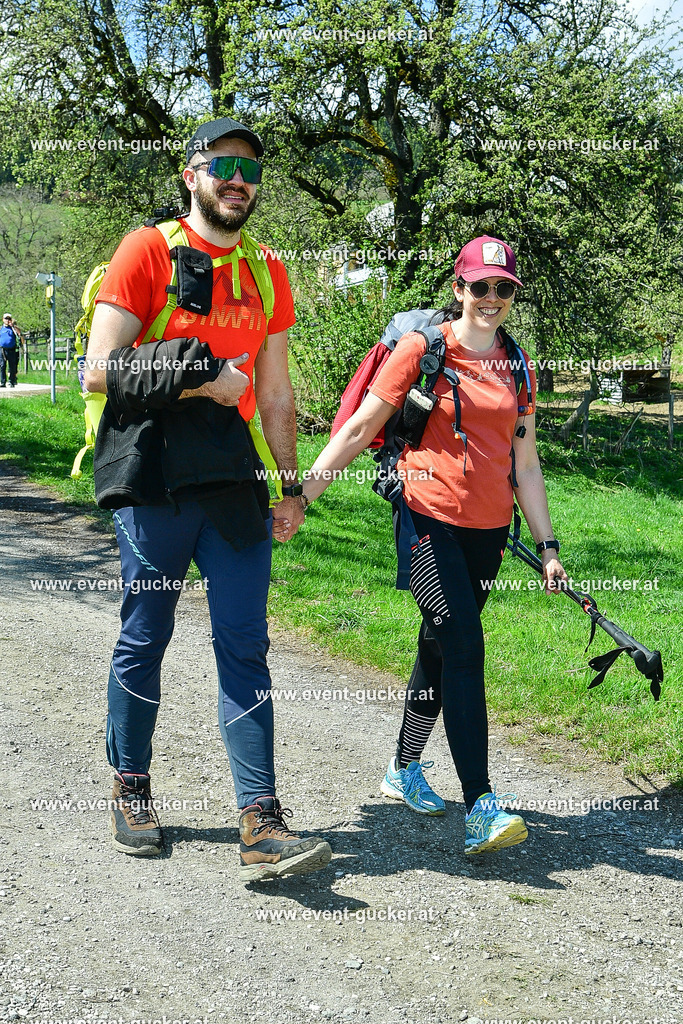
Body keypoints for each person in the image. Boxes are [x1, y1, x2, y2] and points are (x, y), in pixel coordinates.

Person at [84, 115, 331, 881]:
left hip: (232, 484)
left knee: (245, 646)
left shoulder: (267, 271)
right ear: (191, 174)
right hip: (153, 479)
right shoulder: (148, 249)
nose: (238, 180)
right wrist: (202, 376)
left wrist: (291, 486)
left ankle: (260, 819)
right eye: (224, 165)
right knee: (145, 636)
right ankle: (131, 789)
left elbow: (278, 392)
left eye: (252, 172)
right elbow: (99, 369)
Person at [299, 236, 568, 855]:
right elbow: (363, 426)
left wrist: (547, 544)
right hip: (427, 519)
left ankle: (402, 767)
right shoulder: (424, 351)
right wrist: (302, 495)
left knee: (440, 646)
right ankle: (482, 805)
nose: (492, 299)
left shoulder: (518, 364)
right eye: (481, 286)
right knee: (465, 645)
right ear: (459, 288)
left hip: (489, 532)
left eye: (504, 288)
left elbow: (524, 462)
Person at [0, 312, 19, 387]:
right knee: (2, 366)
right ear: (3, 319)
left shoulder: (13, 328)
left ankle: (11, 381)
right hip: (2, 350)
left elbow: (19, 334)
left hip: (11, 349)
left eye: (9, 319)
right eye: (6, 318)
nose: (7, 320)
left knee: (12, 366)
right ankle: (2, 382)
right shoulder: (1, 328)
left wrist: (13, 326)